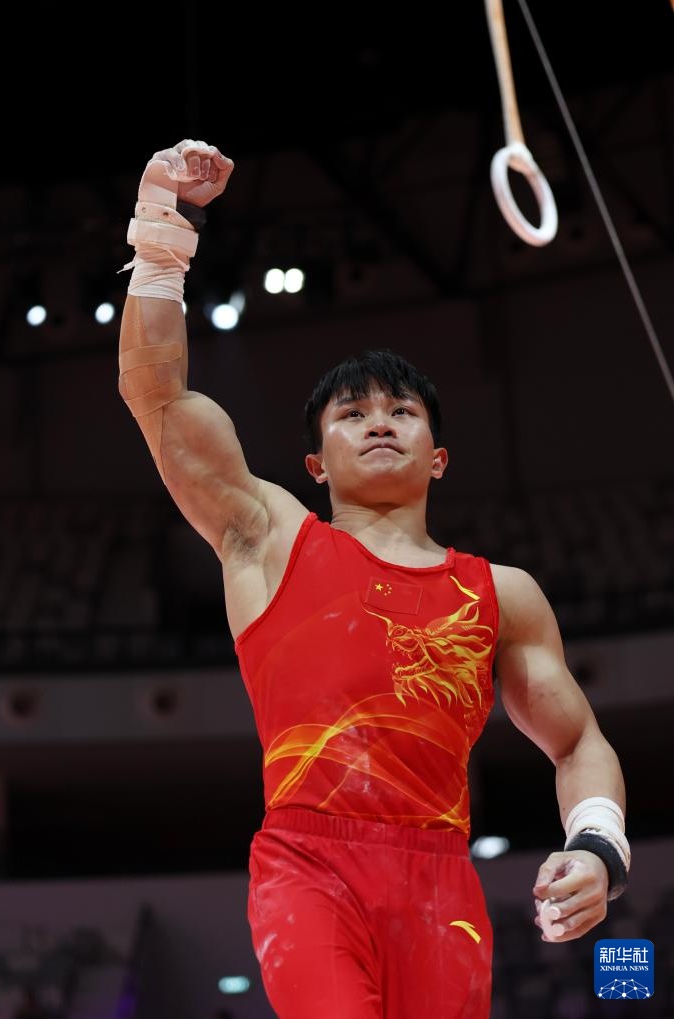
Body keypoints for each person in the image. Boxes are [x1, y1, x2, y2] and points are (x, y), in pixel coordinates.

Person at [117, 140, 629, 1019]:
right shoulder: (268, 537)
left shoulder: (501, 594)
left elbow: (577, 741)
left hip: (441, 881)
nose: (379, 422)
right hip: (308, 863)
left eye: (402, 410)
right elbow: (158, 398)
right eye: (352, 413)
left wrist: (597, 847)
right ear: (316, 464)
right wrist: (162, 225)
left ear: (438, 456)